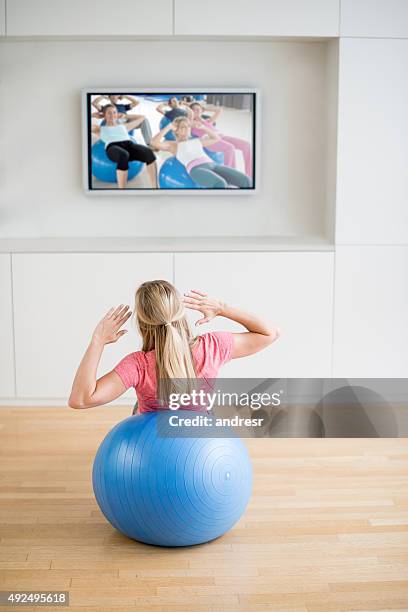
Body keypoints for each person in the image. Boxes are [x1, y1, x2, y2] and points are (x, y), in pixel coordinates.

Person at [68, 280, 280, 412]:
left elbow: (80, 400)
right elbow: (270, 333)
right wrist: (222, 308)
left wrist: (97, 341)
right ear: (180, 312)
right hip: (197, 430)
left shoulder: (137, 365)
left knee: (138, 408)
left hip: (151, 440)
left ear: (142, 324)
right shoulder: (211, 347)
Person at [150, 116, 251, 189]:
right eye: (183, 127)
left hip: (213, 165)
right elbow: (153, 142)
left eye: (188, 126)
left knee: (245, 181)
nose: (187, 129)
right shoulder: (173, 145)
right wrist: (168, 127)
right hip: (196, 169)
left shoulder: (197, 141)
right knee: (220, 184)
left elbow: (216, 138)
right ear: (176, 131)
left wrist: (203, 128)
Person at [92, 104, 157, 188]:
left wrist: (125, 115)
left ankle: (154, 187)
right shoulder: (100, 129)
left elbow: (142, 117)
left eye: (114, 112)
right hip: (112, 147)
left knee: (149, 152)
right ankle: (122, 190)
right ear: (104, 115)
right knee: (123, 155)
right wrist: (94, 115)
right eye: (109, 113)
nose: (112, 115)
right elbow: (84, 124)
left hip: (129, 145)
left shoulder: (124, 127)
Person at [190, 102, 253, 179]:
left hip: (222, 136)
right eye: (195, 110)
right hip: (211, 140)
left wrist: (202, 108)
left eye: (198, 109)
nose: (197, 111)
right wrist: (192, 112)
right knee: (230, 148)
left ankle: (249, 174)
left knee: (246, 145)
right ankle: (230, 176)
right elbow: (189, 118)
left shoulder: (208, 121)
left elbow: (218, 110)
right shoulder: (192, 123)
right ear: (191, 112)